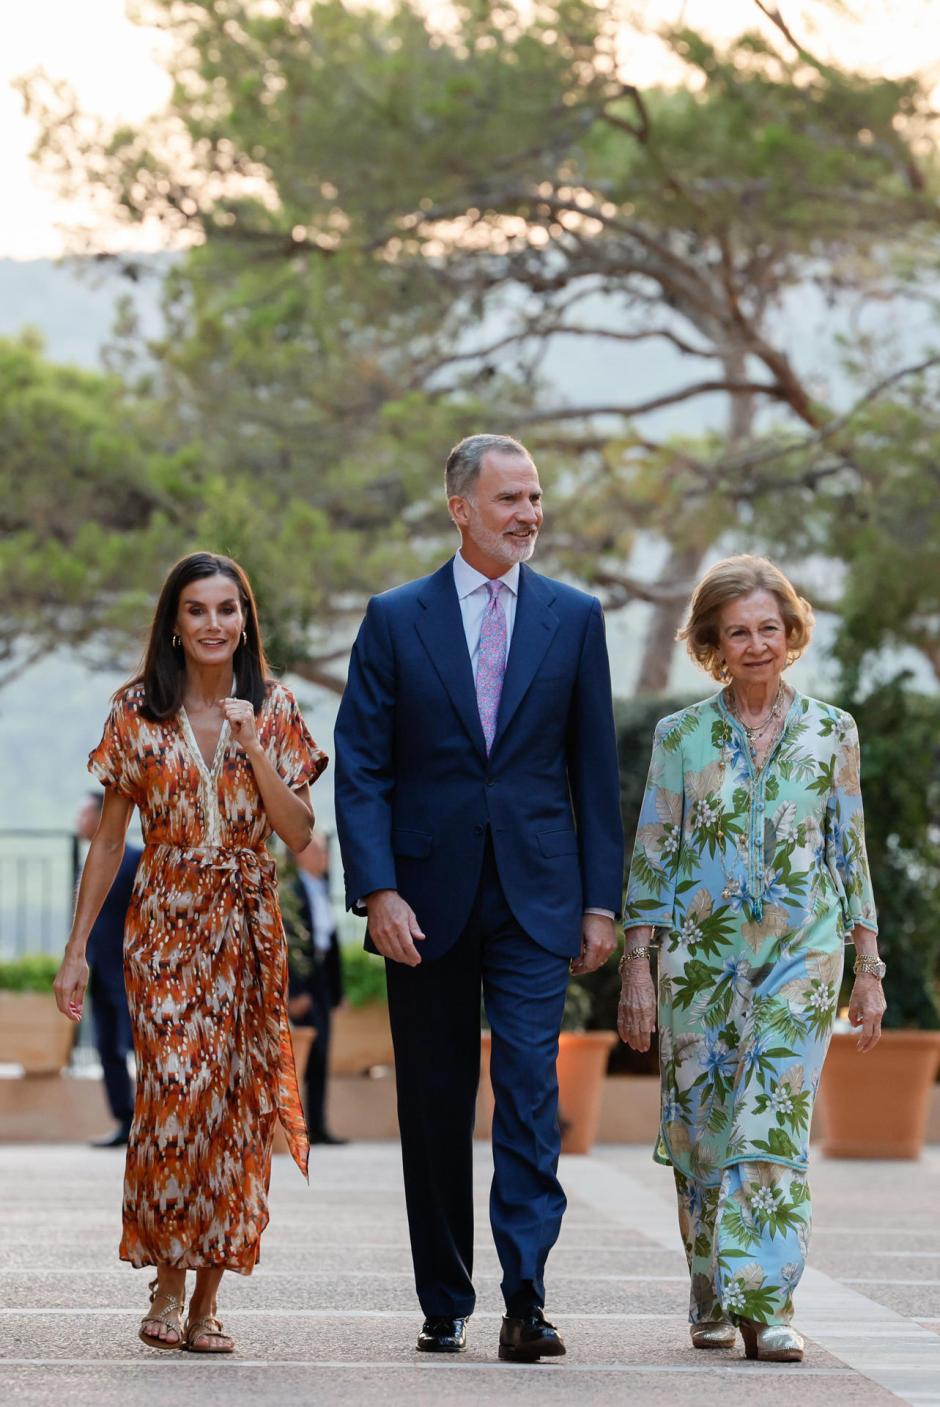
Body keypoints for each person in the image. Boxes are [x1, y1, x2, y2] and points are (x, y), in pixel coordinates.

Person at [334, 433, 624, 1362]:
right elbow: (363, 768)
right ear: (460, 506)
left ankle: (527, 1298)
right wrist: (376, 887)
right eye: (510, 499)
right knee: (433, 1096)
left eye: (535, 498)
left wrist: (600, 903)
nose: (529, 515)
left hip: (541, 897)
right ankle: (445, 1295)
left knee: (532, 1093)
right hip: (423, 899)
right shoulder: (394, 616)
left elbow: (595, 772)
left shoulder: (575, 618)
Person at [53, 551, 327, 1355]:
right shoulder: (135, 711)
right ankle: (166, 1273)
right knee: (174, 1091)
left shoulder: (273, 707)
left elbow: (300, 830)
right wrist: (77, 950)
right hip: (166, 921)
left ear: (246, 620)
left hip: (248, 923)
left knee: (235, 1109)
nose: (215, 624)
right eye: (198, 610)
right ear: (174, 623)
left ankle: (208, 1296)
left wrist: (253, 748)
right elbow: (109, 842)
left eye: (228, 609)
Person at [619, 554, 885, 1364]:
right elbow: (654, 854)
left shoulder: (831, 730)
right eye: (739, 631)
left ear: (791, 632)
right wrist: (637, 967)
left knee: (771, 1123)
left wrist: (868, 967)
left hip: (803, 960)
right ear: (713, 643)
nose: (758, 643)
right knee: (702, 1131)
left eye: (770, 627)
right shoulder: (681, 734)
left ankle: (768, 1304)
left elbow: (851, 851)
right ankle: (710, 1287)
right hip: (700, 963)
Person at [74, 791, 141, 1148]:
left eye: (84, 814)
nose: (78, 821)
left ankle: (149, 1120)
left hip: (128, 971)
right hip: (98, 970)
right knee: (106, 1047)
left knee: (137, 1046)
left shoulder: (134, 860)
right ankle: (123, 1119)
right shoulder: (88, 862)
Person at [286, 831, 347, 1146]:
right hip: (304, 984)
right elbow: (287, 945)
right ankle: (296, 1127)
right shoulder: (291, 892)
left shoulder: (322, 889)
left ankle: (319, 1126)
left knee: (323, 1052)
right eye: (317, 852)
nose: (322, 858)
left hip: (322, 980)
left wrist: (339, 992)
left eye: (324, 853)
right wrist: (293, 992)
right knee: (304, 1055)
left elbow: (331, 942)